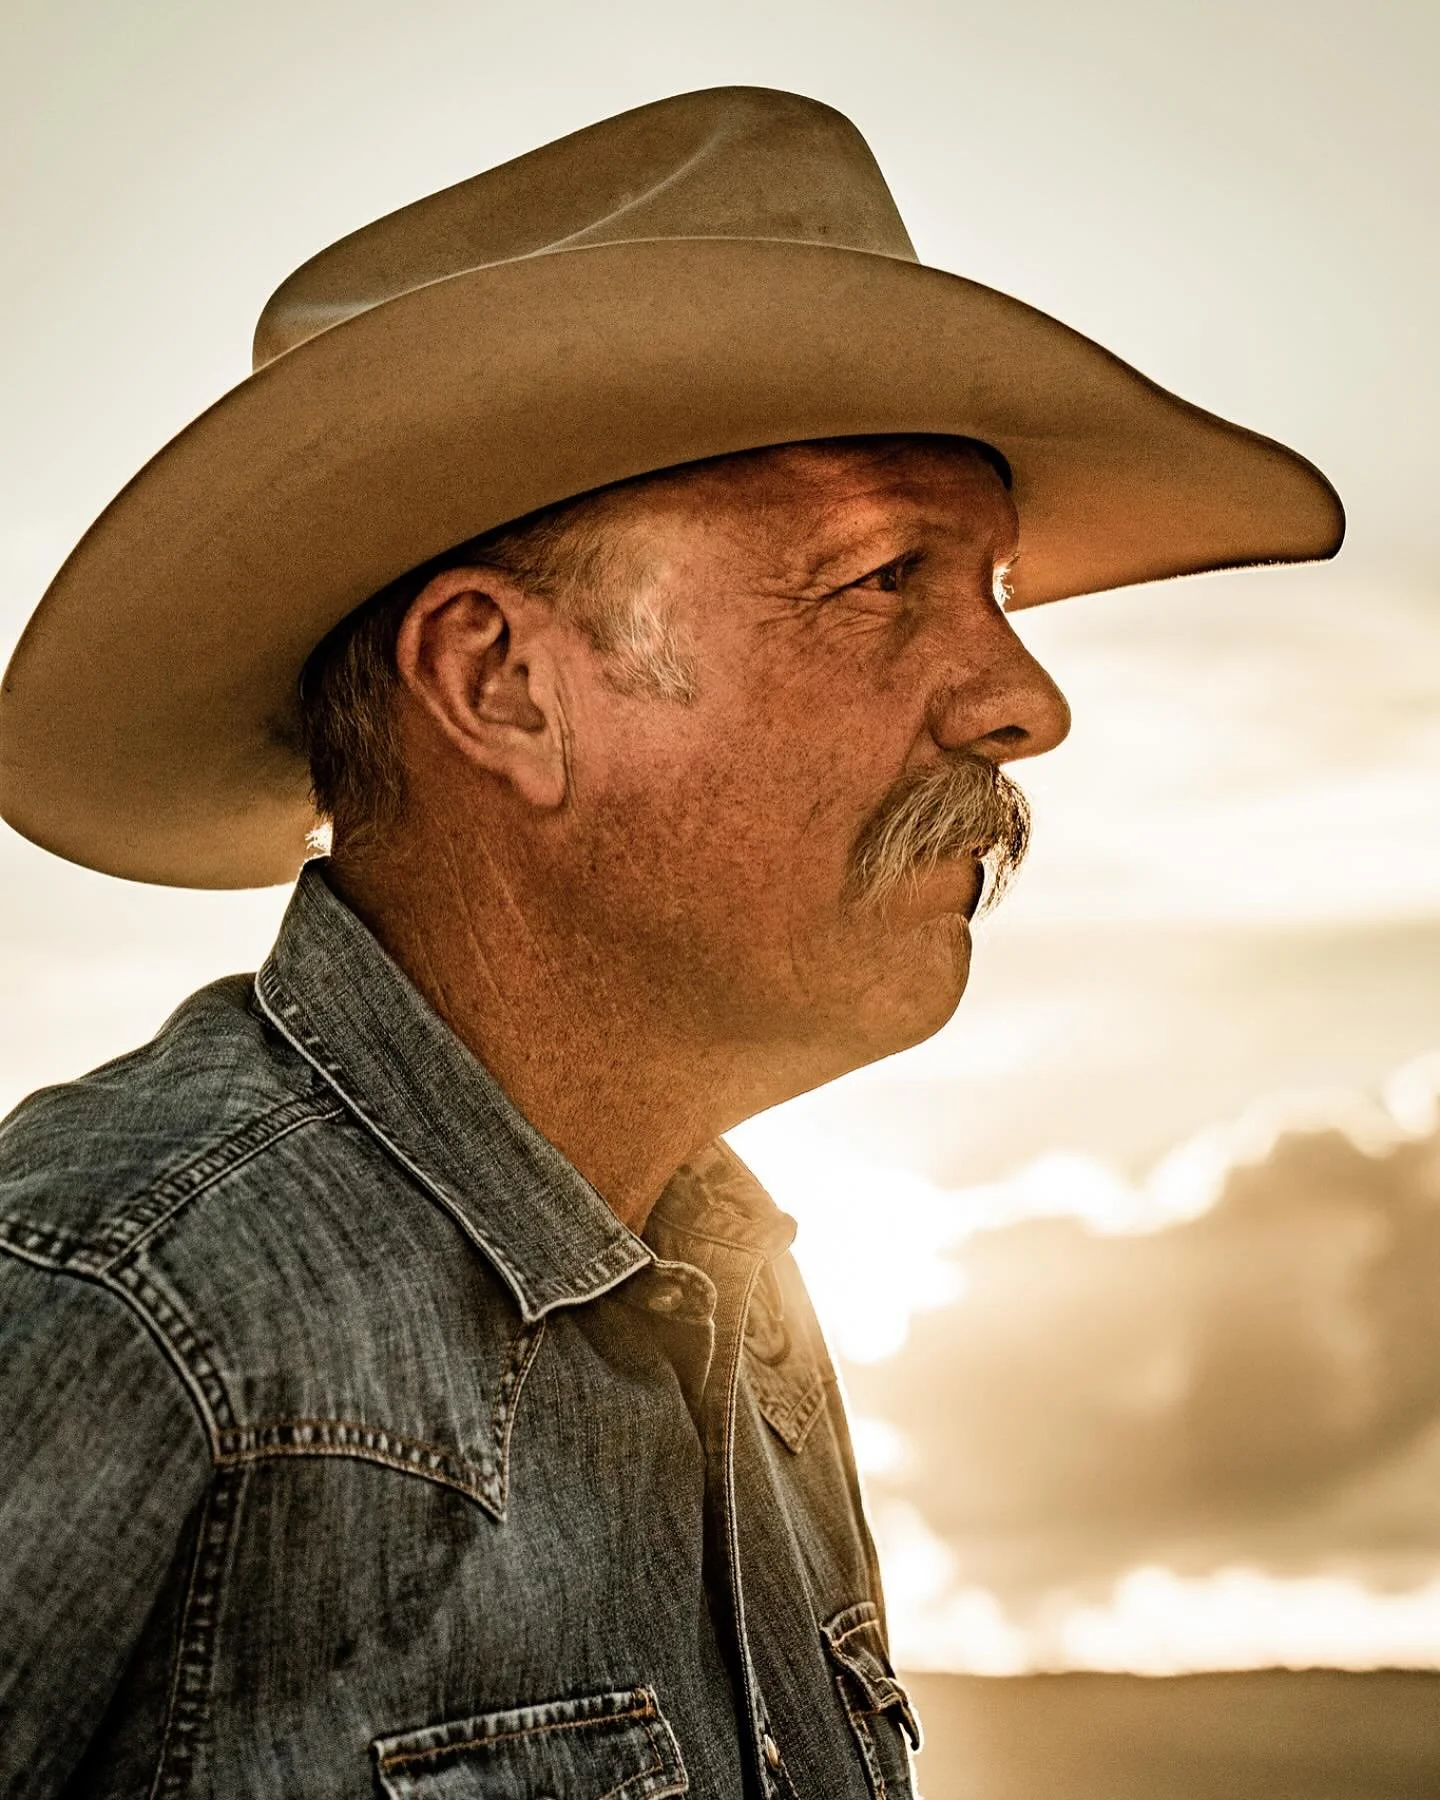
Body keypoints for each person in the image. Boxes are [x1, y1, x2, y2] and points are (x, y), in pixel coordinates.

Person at [0, 87, 1341, 1799]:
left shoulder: (745, 1313)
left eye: (995, 589)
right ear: (501, 684)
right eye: (881, 579)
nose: (1026, 700)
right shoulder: (118, 1302)